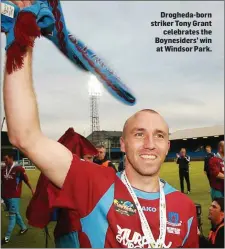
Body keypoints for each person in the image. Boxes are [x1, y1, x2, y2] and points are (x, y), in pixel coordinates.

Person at [3, 2, 199, 247]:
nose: (150, 144)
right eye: (139, 134)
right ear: (123, 144)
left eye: (159, 135)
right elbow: (25, 136)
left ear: (167, 145)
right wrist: (22, 39)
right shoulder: (95, 183)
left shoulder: (186, 208)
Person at [26, 128, 98, 248]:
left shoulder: (86, 175)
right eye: (89, 158)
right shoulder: (70, 177)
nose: (92, 162)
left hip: (78, 229)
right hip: (71, 229)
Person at [1, 153, 34, 244]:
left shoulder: (19, 169)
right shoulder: (3, 169)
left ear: (11, 158)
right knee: (16, 213)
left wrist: (32, 189)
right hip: (5, 196)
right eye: (4, 160)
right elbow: (2, 183)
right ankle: (24, 228)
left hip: (14, 196)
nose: (5, 161)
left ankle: (6, 238)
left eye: (6, 159)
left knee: (12, 216)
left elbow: (27, 181)